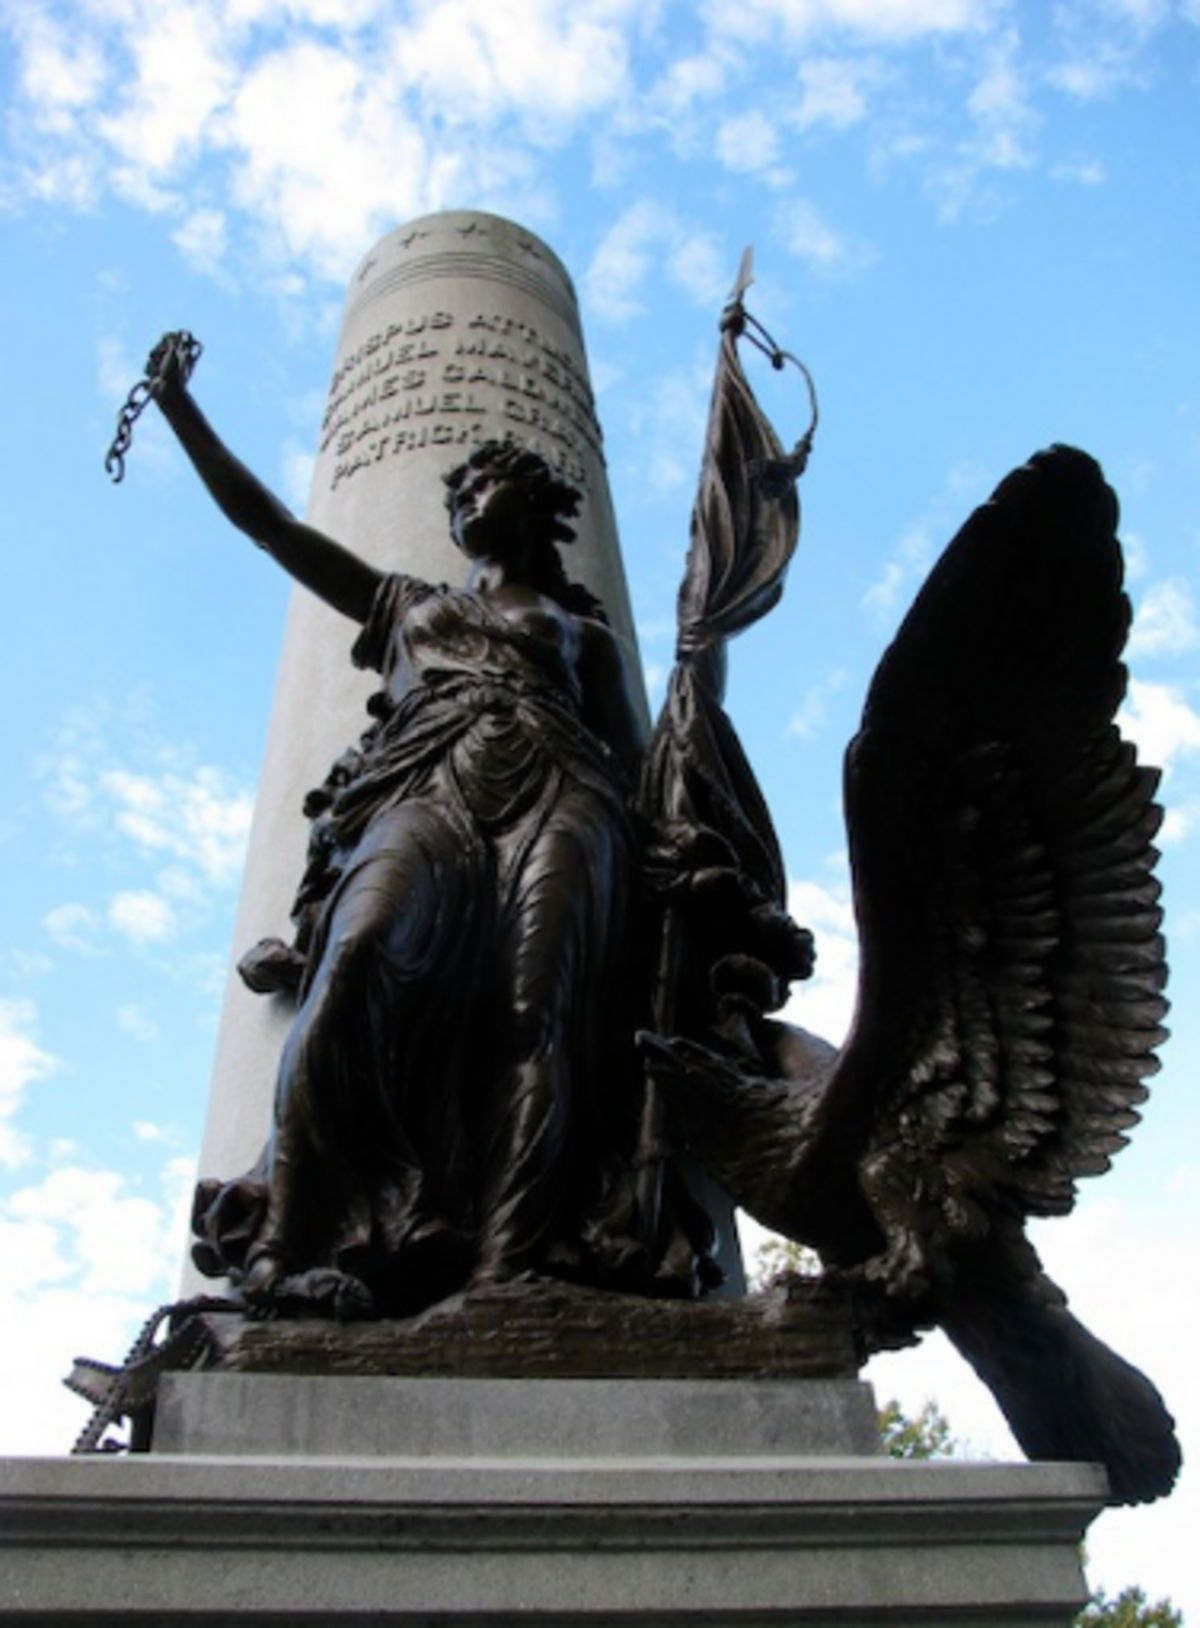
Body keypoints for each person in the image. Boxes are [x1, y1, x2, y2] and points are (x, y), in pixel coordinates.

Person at [147, 336, 708, 1316]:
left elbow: (636, 760)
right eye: (459, 493)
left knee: (541, 1012)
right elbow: (270, 525)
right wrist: (180, 412)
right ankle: (285, 1244)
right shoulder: (401, 603)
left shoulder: (585, 635)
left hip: (565, 788)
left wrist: (679, 850)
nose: (468, 500)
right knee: (356, 960)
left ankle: (507, 1269)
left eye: (488, 483)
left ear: (537, 506)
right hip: (426, 781)